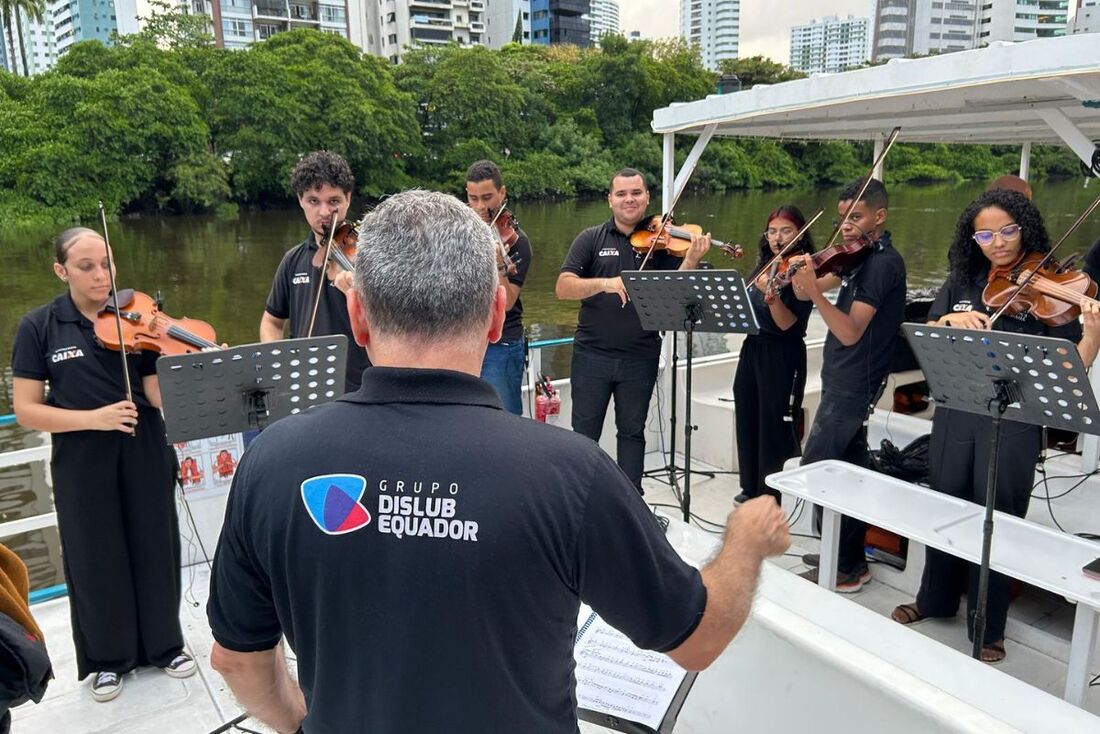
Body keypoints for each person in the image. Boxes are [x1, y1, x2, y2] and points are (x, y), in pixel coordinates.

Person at [207, 190, 790, 734]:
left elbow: (235, 658)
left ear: (357, 315)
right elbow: (698, 639)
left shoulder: (272, 461)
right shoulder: (571, 473)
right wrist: (744, 540)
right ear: (494, 313)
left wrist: (300, 722)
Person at [890, 189, 1100, 663]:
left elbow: (1073, 367)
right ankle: (934, 599)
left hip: (1017, 419)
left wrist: (1092, 336)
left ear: (1024, 227)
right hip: (959, 407)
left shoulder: (1052, 285)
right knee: (945, 501)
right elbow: (930, 332)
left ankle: (989, 624)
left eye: (1008, 230)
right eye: (985, 233)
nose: (997, 242)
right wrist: (949, 318)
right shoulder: (963, 277)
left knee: (1000, 517)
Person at [11, 228, 196, 703]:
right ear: (61, 271)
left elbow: (153, 393)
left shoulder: (138, 317)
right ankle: (109, 660)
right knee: (95, 558)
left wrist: (194, 366)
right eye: (86, 266)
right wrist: (94, 418)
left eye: (107, 264)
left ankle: (164, 646)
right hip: (81, 459)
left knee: (155, 545)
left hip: (143, 448)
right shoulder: (40, 326)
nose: (101, 276)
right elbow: (28, 409)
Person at [556, 168, 711, 492]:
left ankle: (631, 502)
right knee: (583, 434)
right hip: (591, 354)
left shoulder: (665, 243)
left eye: (636, 193)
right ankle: (581, 498)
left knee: (632, 431)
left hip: (640, 355)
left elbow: (676, 296)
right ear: (610, 199)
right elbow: (563, 287)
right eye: (622, 193)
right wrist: (606, 283)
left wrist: (692, 259)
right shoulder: (591, 239)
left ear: (647, 198)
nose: (629, 199)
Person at [792, 177, 907, 593]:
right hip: (843, 378)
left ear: (880, 216)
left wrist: (816, 298)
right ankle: (848, 560)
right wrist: (802, 278)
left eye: (856, 217)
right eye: (843, 218)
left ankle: (841, 565)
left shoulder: (882, 263)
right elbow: (810, 291)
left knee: (818, 468)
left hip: (855, 382)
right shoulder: (859, 258)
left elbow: (851, 331)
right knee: (850, 469)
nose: (847, 227)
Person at [260, 150, 370, 394]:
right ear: (300, 200)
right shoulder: (293, 260)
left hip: (359, 391)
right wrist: (276, 364)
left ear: (348, 199)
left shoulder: (370, 255)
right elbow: (272, 321)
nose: (323, 213)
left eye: (333, 201)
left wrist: (361, 292)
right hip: (305, 390)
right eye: (313, 201)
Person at [732, 206, 815, 505]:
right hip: (753, 347)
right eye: (772, 231)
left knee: (775, 422)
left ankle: (774, 492)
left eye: (786, 231)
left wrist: (773, 295)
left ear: (800, 234)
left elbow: (785, 324)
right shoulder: (764, 266)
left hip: (783, 353)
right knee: (748, 413)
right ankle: (751, 485)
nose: (777, 238)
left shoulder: (802, 271)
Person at [465, 159, 533, 415]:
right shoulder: (460, 233)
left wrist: (499, 265)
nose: (480, 207)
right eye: (473, 199)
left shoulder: (517, 242)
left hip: (501, 342)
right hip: (466, 339)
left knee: (503, 418)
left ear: (502, 193)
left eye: (487, 198)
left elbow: (509, 302)